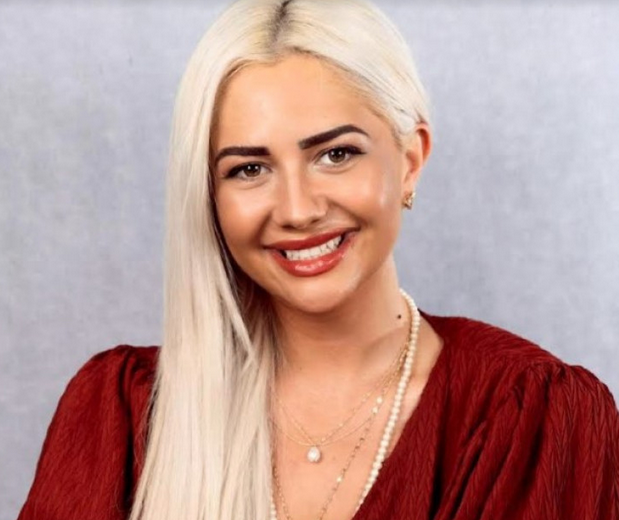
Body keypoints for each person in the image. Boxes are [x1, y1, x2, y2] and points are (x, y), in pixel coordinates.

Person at [18, 0, 619, 519]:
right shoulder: (120, 419)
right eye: (249, 169)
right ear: (209, 195)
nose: (298, 209)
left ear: (410, 161)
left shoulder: (536, 418)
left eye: (335, 154)